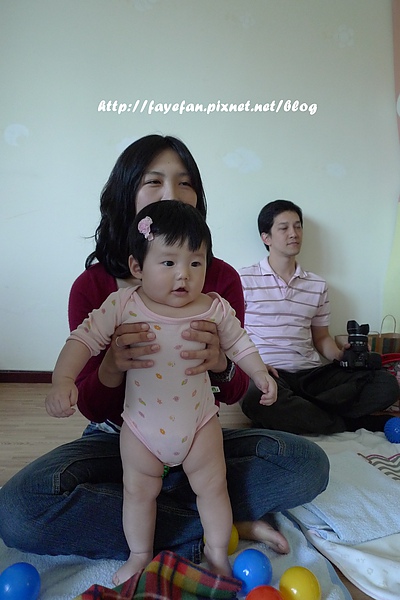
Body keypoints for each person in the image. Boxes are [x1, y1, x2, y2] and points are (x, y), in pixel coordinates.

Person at [0, 136, 329, 566]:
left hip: (198, 428)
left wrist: (227, 365)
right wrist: (105, 368)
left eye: (185, 182)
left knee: (306, 463)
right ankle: (214, 524)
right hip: (122, 436)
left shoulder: (216, 283)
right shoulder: (103, 292)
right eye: (154, 181)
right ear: (127, 195)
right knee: (20, 510)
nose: (172, 193)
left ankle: (191, 522)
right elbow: (90, 397)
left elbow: (235, 382)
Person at [45, 200, 278, 583]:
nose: (183, 274)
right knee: (138, 493)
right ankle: (140, 555)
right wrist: (63, 381)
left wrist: (258, 373)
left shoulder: (213, 307)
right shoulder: (124, 304)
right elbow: (82, 340)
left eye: (196, 263)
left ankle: (216, 551)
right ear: (137, 267)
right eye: (168, 262)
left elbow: (241, 343)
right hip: (139, 428)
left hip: (200, 424)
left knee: (214, 488)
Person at [239, 199, 399, 435]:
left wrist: (341, 355)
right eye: (284, 228)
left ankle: (299, 416)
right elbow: (233, 338)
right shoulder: (243, 280)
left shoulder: (316, 285)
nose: (294, 234)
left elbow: (321, 337)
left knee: (385, 384)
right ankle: (349, 423)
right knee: (254, 397)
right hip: (268, 372)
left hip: (312, 376)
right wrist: (253, 367)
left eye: (298, 226)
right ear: (266, 237)